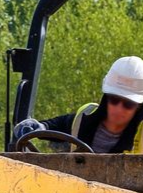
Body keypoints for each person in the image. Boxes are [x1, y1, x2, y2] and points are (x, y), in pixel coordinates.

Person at [13, 55, 143, 153]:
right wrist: (40, 127)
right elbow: (60, 125)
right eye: (114, 100)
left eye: (128, 104)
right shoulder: (84, 118)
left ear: (138, 107)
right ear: (106, 98)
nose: (119, 108)